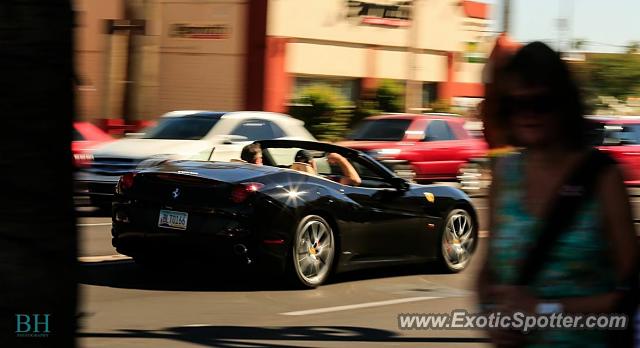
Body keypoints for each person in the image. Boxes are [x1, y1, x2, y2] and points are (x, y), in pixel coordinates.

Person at [476, 42, 639, 347]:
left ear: (564, 104)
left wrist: (546, 311)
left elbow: (630, 292)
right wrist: (489, 315)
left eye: (540, 103)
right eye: (516, 105)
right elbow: (488, 272)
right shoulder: (504, 175)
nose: (528, 115)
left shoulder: (602, 177)